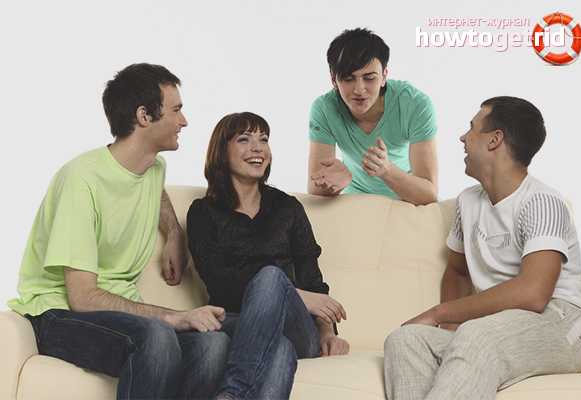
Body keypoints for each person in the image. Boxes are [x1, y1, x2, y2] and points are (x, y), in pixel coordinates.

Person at [8, 63, 229, 400]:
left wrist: (174, 233)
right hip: (58, 314)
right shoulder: (81, 180)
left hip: (113, 313)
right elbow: (82, 297)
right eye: (176, 110)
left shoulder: (152, 167)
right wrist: (174, 317)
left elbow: (155, 191)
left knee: (213, 344)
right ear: (144, 116)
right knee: (157, 337)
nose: (184, 121)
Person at [383, 96, 581, 400]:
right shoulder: (468, 202)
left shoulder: (542, 202)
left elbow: (534, 293)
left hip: (561, 323)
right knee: (405, 340)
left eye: (471, 128)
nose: (462, 138)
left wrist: (439, 313)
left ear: (494, 140)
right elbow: (457, 271)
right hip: (494, 327)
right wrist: (449, 328)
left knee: (476, 334)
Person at [187, 112, 350, 400]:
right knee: (279, 348)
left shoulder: (288, 208)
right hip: (236, 320)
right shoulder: (203, 213)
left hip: (297, 327)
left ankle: (234, 392)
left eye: (263, 140)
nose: (258, 148)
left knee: (272, 277)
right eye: (244, 139)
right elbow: (219, 282)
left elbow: (312, 278)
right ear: (221, 151)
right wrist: (298, 294)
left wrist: (327, 332)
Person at [308, 28, 438, 204]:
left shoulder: (415, 104)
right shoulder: (324, 108)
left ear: (384, 76)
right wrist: (337, 183)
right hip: (354, 200)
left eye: (369, 78)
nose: (359, 89)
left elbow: (429, 194)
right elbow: (314, 190)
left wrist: (387, 170)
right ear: (334, 80)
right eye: (348, 79)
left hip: (405, 199)